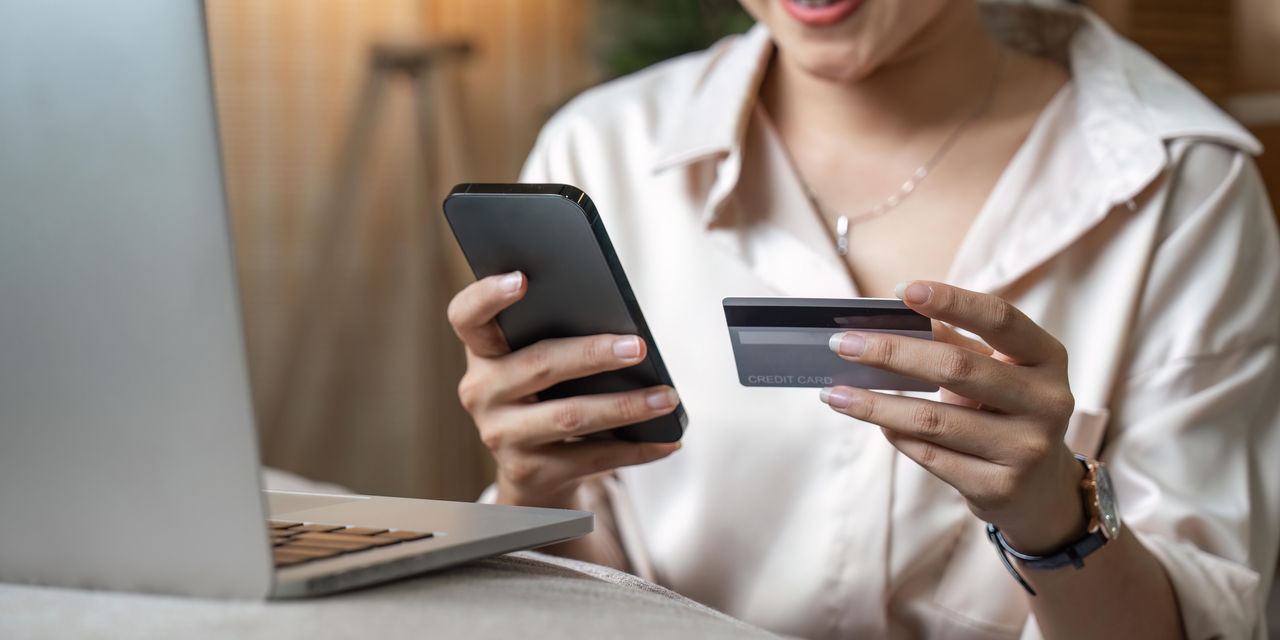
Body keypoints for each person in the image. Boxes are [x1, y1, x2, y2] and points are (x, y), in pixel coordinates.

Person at [445, 1, 1280, 637]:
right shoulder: (603, 152)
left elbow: (1204, 619)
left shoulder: (1179, 184)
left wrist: (1053, 520)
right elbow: (599, 592)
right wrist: (532, 490)